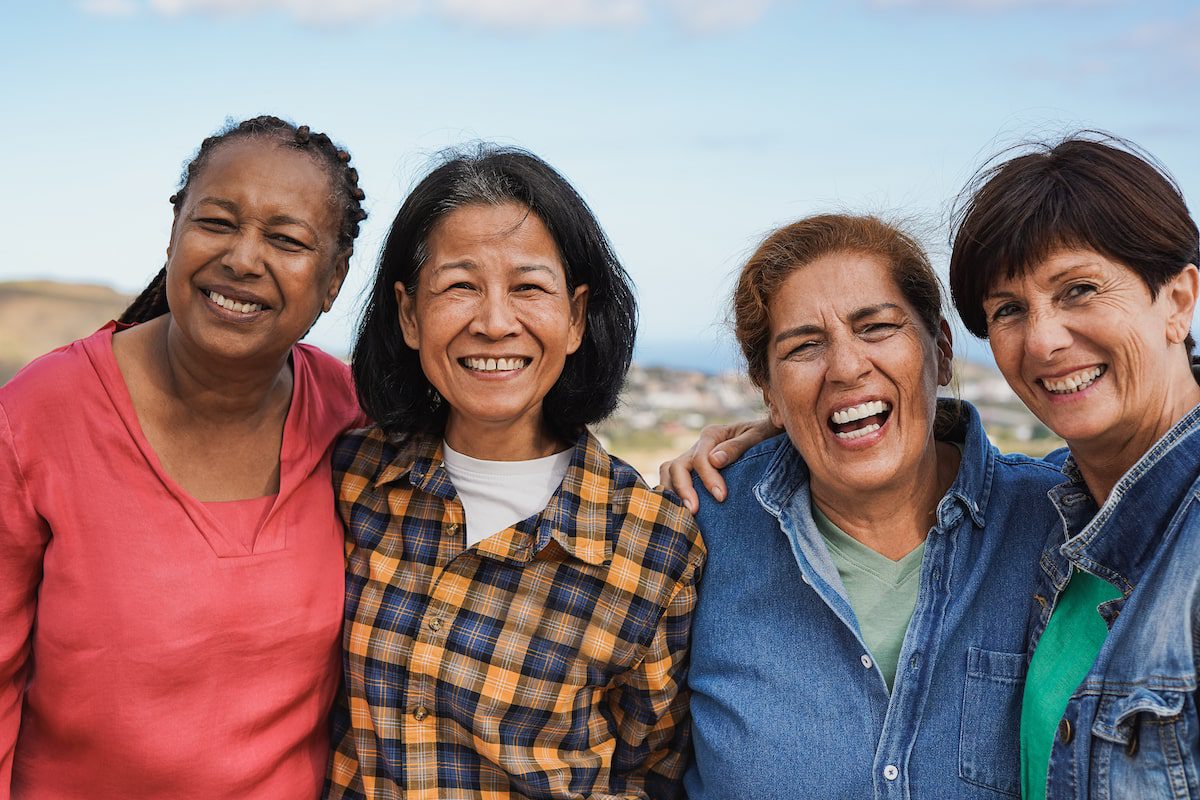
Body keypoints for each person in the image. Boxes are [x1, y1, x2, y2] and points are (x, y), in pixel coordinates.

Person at [0, 115, 368, 799]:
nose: (242, 259)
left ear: (334, 278)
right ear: (175, 228)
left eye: (286, 239)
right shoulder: (36, 417)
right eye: (218, 222)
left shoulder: (352, 419)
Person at [324, 147, 705, 800]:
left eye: (528, 287)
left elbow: (657, 771)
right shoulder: (353, 480)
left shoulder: (654, 546)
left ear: (577, 317)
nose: (495, 322)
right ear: (410, 314)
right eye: (460, 286)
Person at [670, 213, 1064, 799]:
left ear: (943, 350)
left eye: (877, 328)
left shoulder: (1061, 521)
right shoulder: (696, 532)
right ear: (768, 392)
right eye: (804, 347)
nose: (848, 367)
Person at [948, 135, 1200, 799]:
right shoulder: (1052, 510)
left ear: (1177, 300)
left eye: (1079, 290)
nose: (1042, 341)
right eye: (1007, 309)